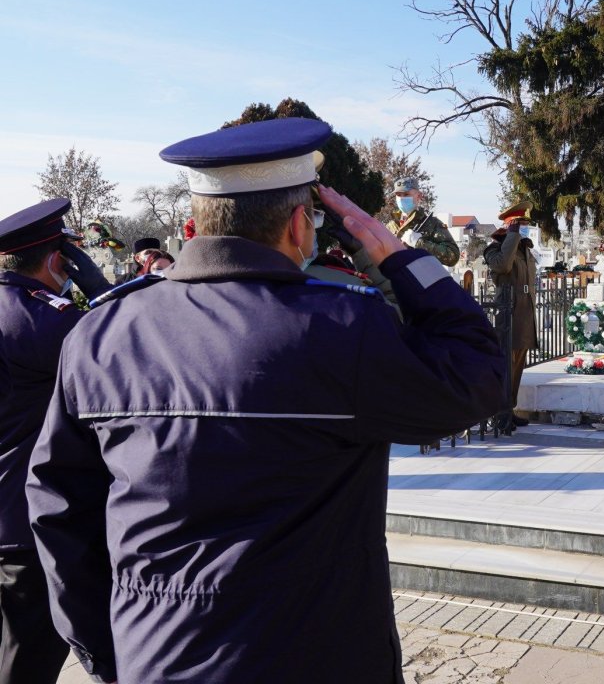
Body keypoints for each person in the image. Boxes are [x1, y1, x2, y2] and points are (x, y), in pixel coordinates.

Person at [26, 117, 506, 684]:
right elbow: (478, 377)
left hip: (155, 655)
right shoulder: (341, 328)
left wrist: (110, 652)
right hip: (317, 656)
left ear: (196, 223)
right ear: (301, 226)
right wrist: (394, 254)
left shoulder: (102, 336)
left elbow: (59, 507)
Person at [0, 198, 111, 684]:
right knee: (28, 657)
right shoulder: (47, 320)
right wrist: (108, 294)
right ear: (56, 260)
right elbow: (124, 353)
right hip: (27, 519)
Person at [483, 200, 538, 427]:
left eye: (525, 224)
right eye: (520, 224)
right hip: (508, 311)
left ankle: (510, 408)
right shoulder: (494, 248)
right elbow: (503, 266)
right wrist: (512, 236)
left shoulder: (525, 248)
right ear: (510, 225)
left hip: (524, 312)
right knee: (506, 364)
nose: (525, 227)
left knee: (518, 366)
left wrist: (518, 239)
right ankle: (499, 413)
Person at [387, 177, 460, 267]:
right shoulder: (390, 225)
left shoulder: (431, 224)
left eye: (406, 194)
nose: (401, 199)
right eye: (398, 194)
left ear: (419, 196)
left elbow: (452, 256)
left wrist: (419, 242)